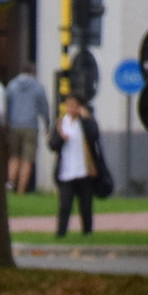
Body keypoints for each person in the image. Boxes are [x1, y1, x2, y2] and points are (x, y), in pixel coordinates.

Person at [49, 94, 108, 235]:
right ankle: (61, 232)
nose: (72, 109)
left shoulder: (85, 122)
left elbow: (94, 136)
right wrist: (61, 138)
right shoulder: (61, 123)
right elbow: (52, 145)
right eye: (69, 106)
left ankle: (87, 231)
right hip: (66, 171)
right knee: (65, 205)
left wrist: (87, 119)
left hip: (84, 171)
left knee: (86, 205)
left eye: (75, 106)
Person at [2, 67, 50, 193]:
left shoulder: (11, 85)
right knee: (27, 159)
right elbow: (44, 106)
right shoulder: (38, 86)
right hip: (30, 126)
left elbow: (6, 104)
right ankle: (21, 190)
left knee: (14, 156)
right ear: (33, 72)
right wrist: (47, 123)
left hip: (14, 125)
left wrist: (6, 122)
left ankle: (11, 184)